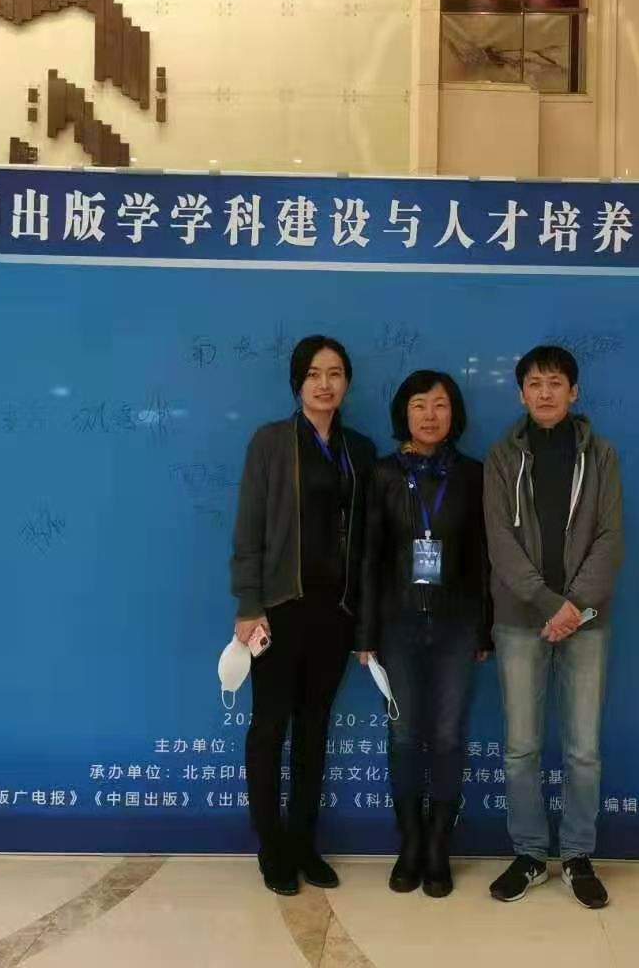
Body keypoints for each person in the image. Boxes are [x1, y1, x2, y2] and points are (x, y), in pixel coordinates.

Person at [231, 335, 376, 896]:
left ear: (347, 383)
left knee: (315, 730)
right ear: (297, 382)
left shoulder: (359, 450)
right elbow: (249, 529)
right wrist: (249, 605)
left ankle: (304, 843)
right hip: (278, 609)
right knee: (270, 728)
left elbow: (367, 539)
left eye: (335, 373)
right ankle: (272, 848)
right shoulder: (270, 442)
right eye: (313, 373)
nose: (324, 383)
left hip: (334, 611)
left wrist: (362, 614)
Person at [483, 344, 625, 909]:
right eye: (535, 384)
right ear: (521, 393)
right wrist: (547, 603)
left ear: (574, 392)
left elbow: (610, 538)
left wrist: (574, 606)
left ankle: (578, 855)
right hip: (520, 620)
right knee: (521, 747)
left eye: (556, 383)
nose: (545, 392)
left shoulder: (601, 455)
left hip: (586, 622)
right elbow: (499, 540)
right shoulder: (501, 457)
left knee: (583, 748)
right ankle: (529, 855)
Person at [355, 370, 491, 899]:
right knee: (406, 735)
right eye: (419, 405)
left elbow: (483, 559)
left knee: (450, 736)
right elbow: (369, 557)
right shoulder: (383, 473)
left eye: (440, 405)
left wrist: (484, 628)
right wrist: (365, 632)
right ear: (403, 414)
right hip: (398, 624)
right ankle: (409, 843)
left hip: (458, 625)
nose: (430, 415)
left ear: (454, 413)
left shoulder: (474, 474)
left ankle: (439, 847)